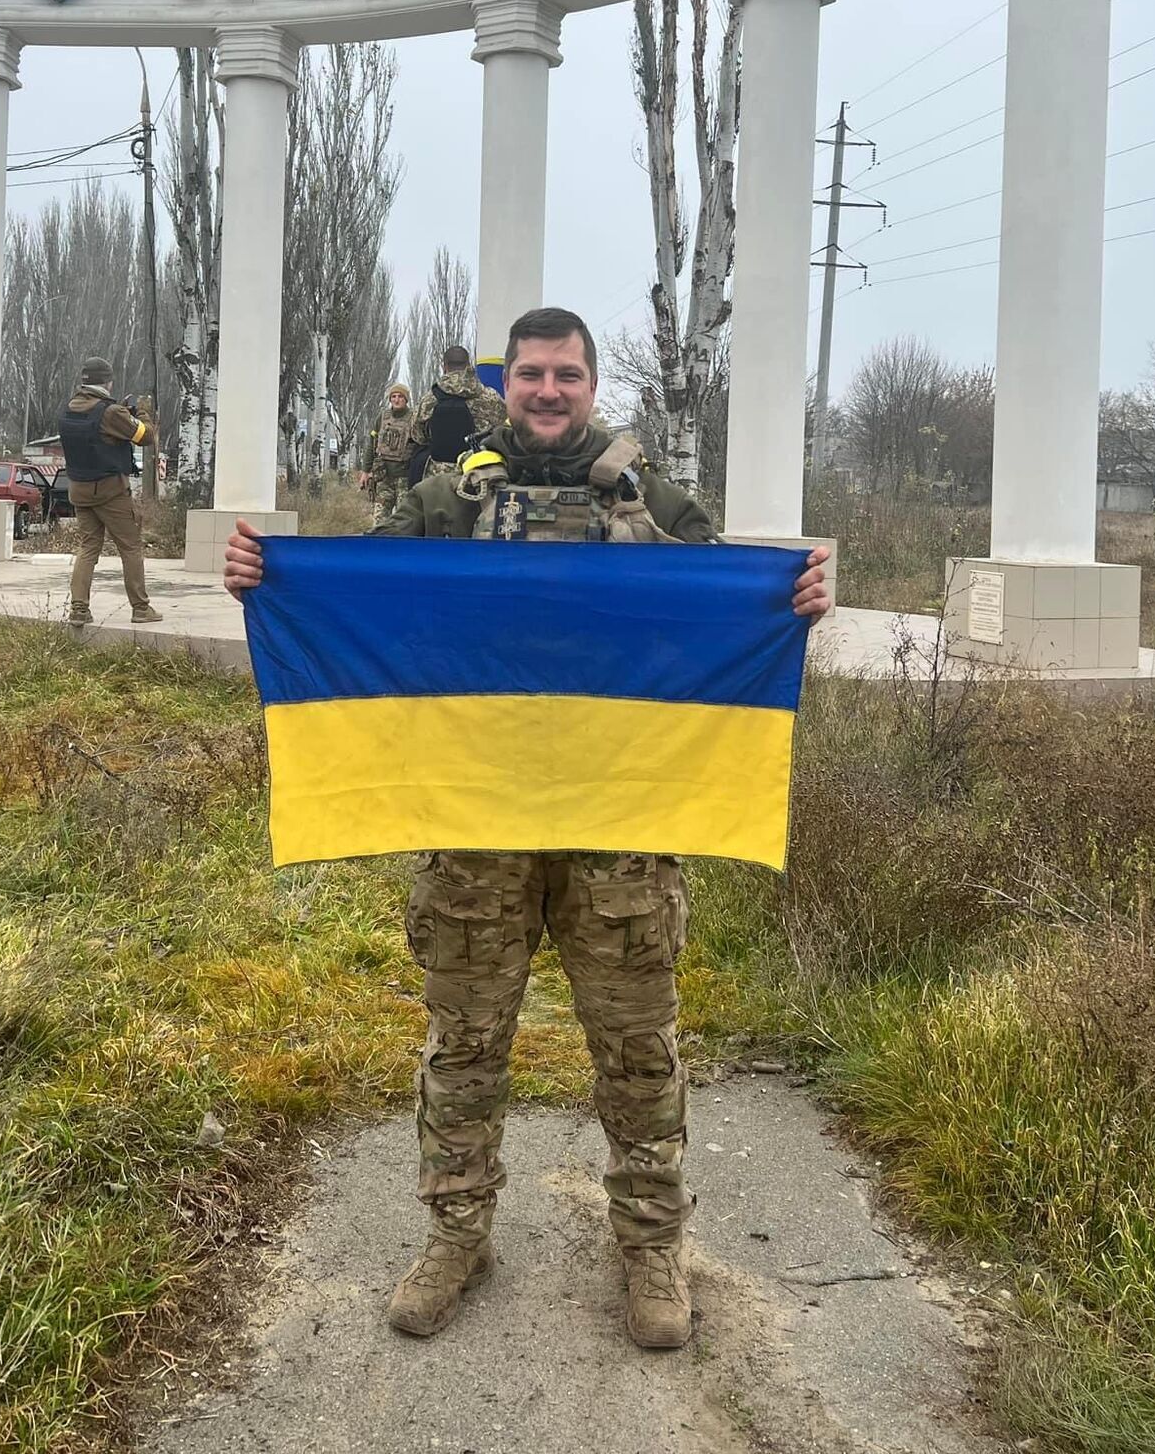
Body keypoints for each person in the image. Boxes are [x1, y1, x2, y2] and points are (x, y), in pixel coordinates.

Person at [223, 307, 831, 1352]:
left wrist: (802, 595)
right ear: (509, 384)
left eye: (568, 375)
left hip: (620, 828)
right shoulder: (450, 494)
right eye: (533, 375)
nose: (548, 391)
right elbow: (364, 588)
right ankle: (457, 1233)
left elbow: (723, 598)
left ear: (594, 384)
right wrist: (266, 577)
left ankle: (649, 1244)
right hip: (477, 827)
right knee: (464, 1048)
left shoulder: (655, 498)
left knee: (639, 1052)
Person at [59, 355, 162, 627]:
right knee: (130, 547)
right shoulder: (111, 412)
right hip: (110, 492)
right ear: (108, 381)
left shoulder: (68, 408)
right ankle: (140, 608)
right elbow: (146, 437)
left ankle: (79, 609)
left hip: (79, 490)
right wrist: (140, 412)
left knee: (88, 549)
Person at [408, 344, 506, 482]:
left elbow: (417, 435)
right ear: (468, 364)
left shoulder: (430, 399)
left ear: (444, 366)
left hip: (438, 477)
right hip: (479, 474)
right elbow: (503, 430)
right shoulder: (491, 397)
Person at [358, 382, 414, 526]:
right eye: (393, 396)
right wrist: (366, 471)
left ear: (406, 399)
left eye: (400, 396)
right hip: (384, 478)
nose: (396, 400)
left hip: (404, 478)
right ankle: (378, 547)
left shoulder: (413, 418)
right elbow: (371, 443)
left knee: (404, 522)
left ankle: (401, 548)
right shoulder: (382, 417)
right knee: (379, 521)